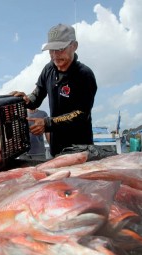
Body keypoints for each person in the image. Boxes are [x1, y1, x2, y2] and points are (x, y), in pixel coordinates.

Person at [11, 24, 97, 157]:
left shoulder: (85, 75)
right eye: (51, 50)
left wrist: (47, 123)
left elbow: (81, 114)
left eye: (60, 49)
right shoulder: (48, 69)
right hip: (56, 149)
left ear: (74, 46)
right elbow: (37, 96)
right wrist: (26, 99)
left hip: (79, 149)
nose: (55, 55)